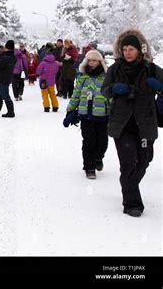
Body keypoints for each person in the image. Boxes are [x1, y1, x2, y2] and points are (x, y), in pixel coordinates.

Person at [102, 29, 163, 217]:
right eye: (125, 49)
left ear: (140, 50)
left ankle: (128, 186)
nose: (128, 52)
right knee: (128, 163)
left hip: (144, 124)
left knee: (143, 162)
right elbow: (104, 90)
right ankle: (132, 202)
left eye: (131, 49)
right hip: (122, 124)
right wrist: (114, 88)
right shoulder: (115, 69)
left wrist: (160, 87)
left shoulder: (151, 68)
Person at [64, 50, 109, 179]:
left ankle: (98, 158)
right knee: (89, 141)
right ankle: (89, 167)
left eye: (94, 60)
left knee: (102, 142)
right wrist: (70, 110)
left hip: (102, 115)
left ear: (100, 62)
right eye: (89, 60)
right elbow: (76, 94)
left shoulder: (106, 77)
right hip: (86, 114)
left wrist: (112, 111)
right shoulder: (82, 76)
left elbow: (110, 96)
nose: (91, 63)